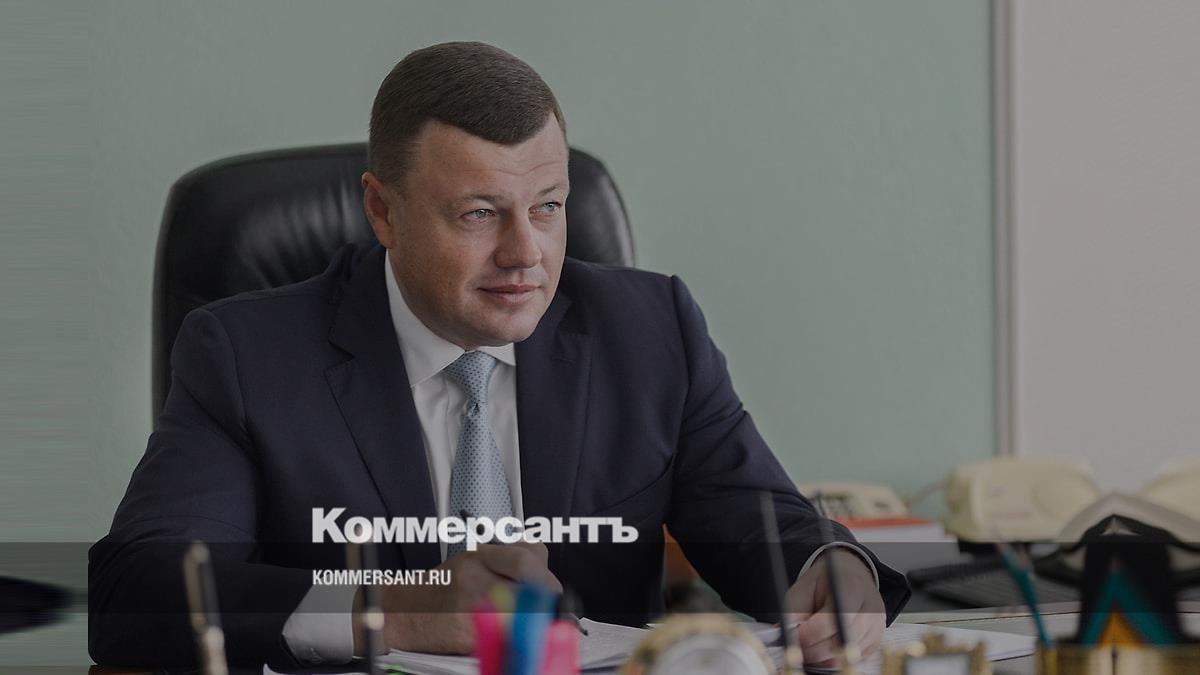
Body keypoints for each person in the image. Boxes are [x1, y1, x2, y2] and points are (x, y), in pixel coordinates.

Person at [89, 41, 909, 669]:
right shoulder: (247, 356)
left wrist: (828, 564)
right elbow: (137, 590)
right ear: (382, 210)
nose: (526, 254)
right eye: (480, 213)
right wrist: (394, 608)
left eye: (547, 207)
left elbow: (759, 520)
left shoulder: (651, 329)